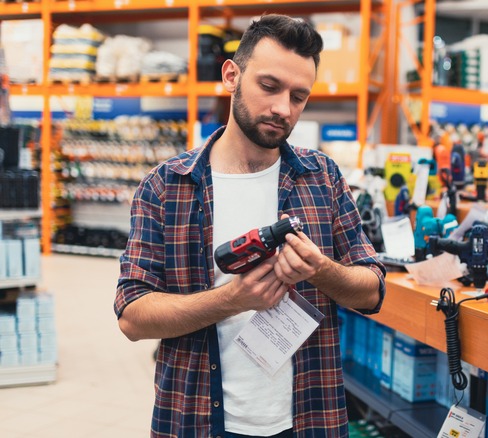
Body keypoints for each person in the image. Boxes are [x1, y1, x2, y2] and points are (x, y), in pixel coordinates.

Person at [115, 14, 386, 438]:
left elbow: (373, 290)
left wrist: (322, 271)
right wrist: (233, 299)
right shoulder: (166, 186)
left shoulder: (323, 178)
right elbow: (133, 316)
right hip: (196, 419)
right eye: (269, 86)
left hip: (307, 419)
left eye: (299, 96)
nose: (283, 108)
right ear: (231, 76)